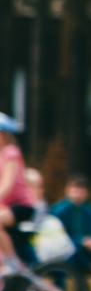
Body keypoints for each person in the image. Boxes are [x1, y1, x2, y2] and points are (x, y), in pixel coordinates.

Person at [0, 114, 34, 267]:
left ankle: (12, 262)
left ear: (4, 135)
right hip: (6, 206)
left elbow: (7, 185)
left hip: (21, 205)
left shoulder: (10, 153)